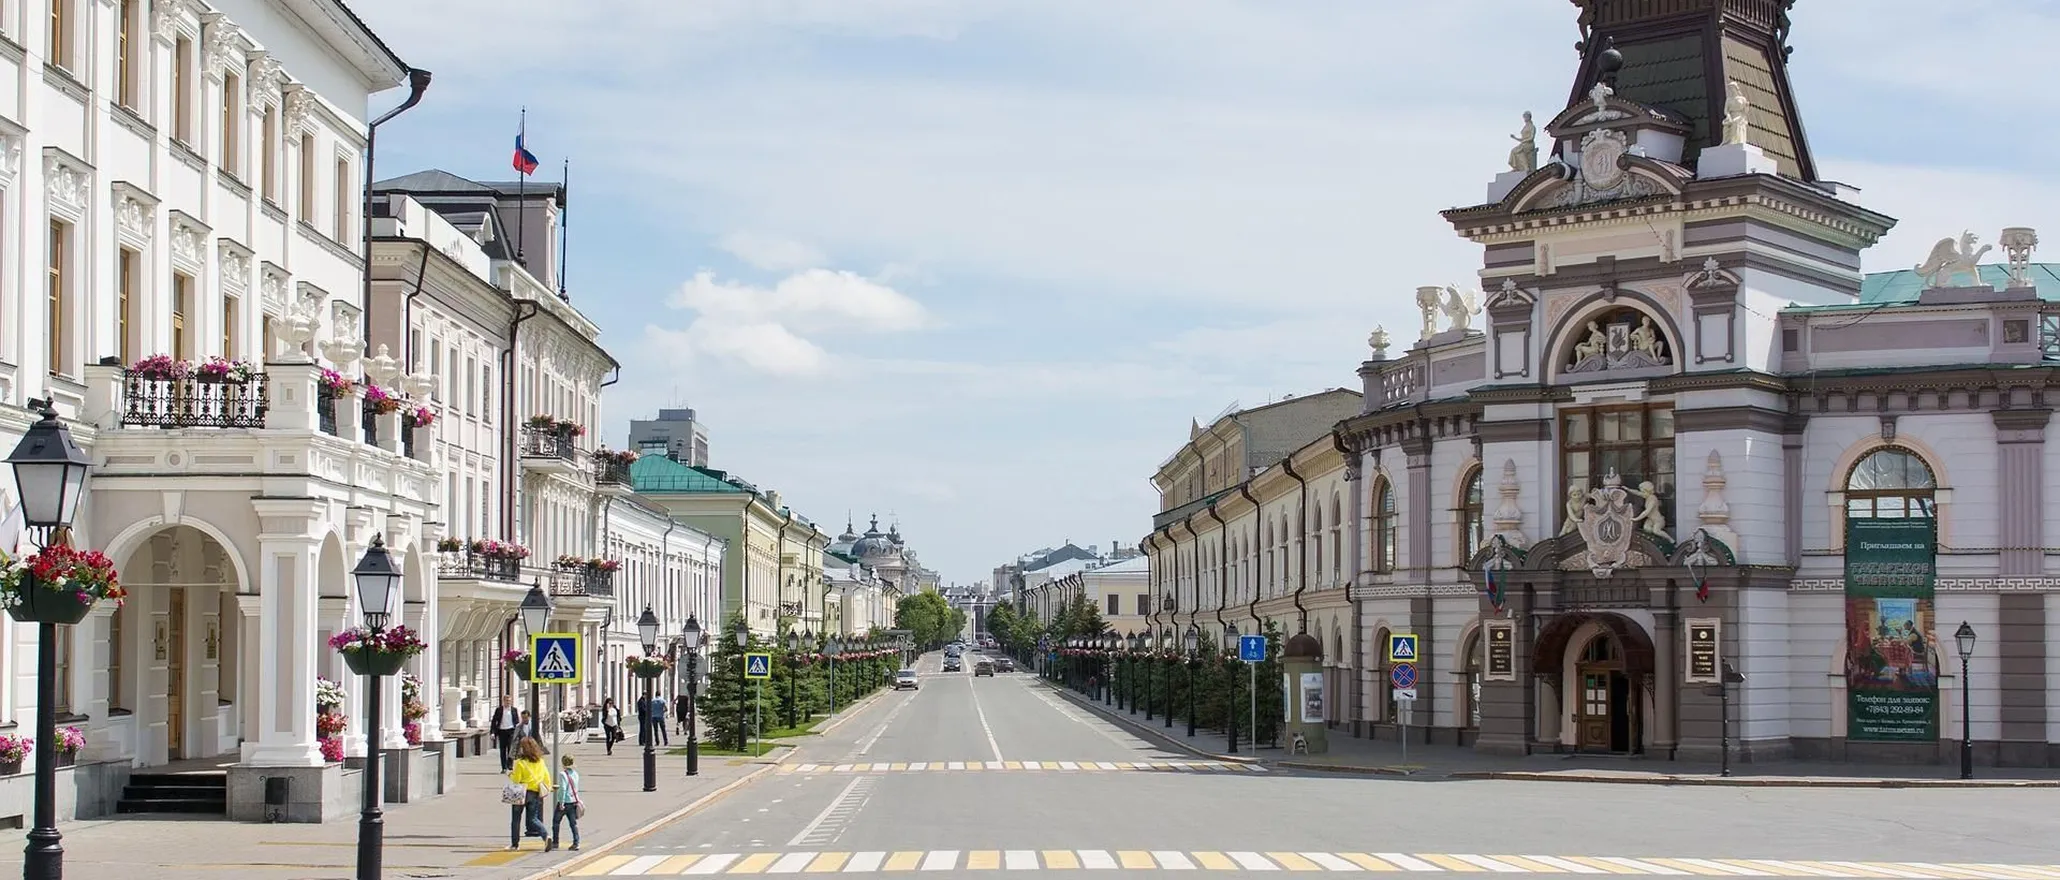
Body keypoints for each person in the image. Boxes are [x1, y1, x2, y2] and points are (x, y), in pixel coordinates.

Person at [507, 737, 551, 849]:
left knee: (516, 819)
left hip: (521, 792)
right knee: (533, 819)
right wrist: (548, 788)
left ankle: (515, 844)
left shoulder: (520, 763)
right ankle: (546, 836)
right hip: (535, 792)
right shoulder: (540, 762)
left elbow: (516, 780)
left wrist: (510, 774)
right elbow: (546, 777)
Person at [550, 754, 583, 852]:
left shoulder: (563, 774)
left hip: (565, 802)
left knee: (556, 822)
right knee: (573, 823)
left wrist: (562, 802)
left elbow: (563, 789)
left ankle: (555, 842)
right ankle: (576, 842)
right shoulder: (575, 774)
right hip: (573, 801)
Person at [490, 695, 522, 772]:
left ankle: (510, 765)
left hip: (511, 731)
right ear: (503, 701)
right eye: (506, 701)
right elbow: (494, 721)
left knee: (510, 749)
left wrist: (518, 731)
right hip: (502, 731)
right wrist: (492, 732)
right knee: (502, 750)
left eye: (509, 701)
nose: (508, 702)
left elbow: (517, 721)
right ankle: (504, 767)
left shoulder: (514, 710)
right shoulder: (499, 710)